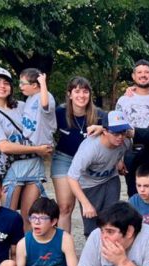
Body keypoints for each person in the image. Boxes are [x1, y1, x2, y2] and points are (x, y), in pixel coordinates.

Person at [0, 67, 52, 231]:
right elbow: (4, 146)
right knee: (8, 218)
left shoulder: (22, 105)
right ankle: (8, 249)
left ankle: (26, 248)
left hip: (34, 167)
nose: (2, 86)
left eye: (6, 83)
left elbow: (44, 118)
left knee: (32, 218)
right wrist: (37, 149)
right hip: (12, 170)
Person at [52, 76, 107, 232]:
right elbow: (41, 122)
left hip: (91, 163)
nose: (81, 95)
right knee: (64, 207)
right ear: (69, 94)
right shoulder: (59, 112)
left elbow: (118, 132)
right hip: (65, 158)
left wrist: (102, 128)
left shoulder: (99, 115)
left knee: (93, 208)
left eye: (85, 91)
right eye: (77, 91)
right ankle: (64, 245)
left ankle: (94, 242)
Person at [67, 111, 131, 237]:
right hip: (89, 185)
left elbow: (120, 151)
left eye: (123, 132)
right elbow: (71, 177)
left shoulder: (125, 142)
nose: (120, 137)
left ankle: (111, 247)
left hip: (110, 179)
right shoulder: (90, 149)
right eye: (115, 133)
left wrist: (119, 162)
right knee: (92, 226)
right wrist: (85, 204)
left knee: (112, 220)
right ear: (105, 131)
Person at [115, 59, 149, 197]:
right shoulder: (124, 100)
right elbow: (117, 130)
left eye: (147, 72)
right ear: (133, 76)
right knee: (134, 193)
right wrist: (118, 159)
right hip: (131, 152)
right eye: (139, 72)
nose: (143, 75)